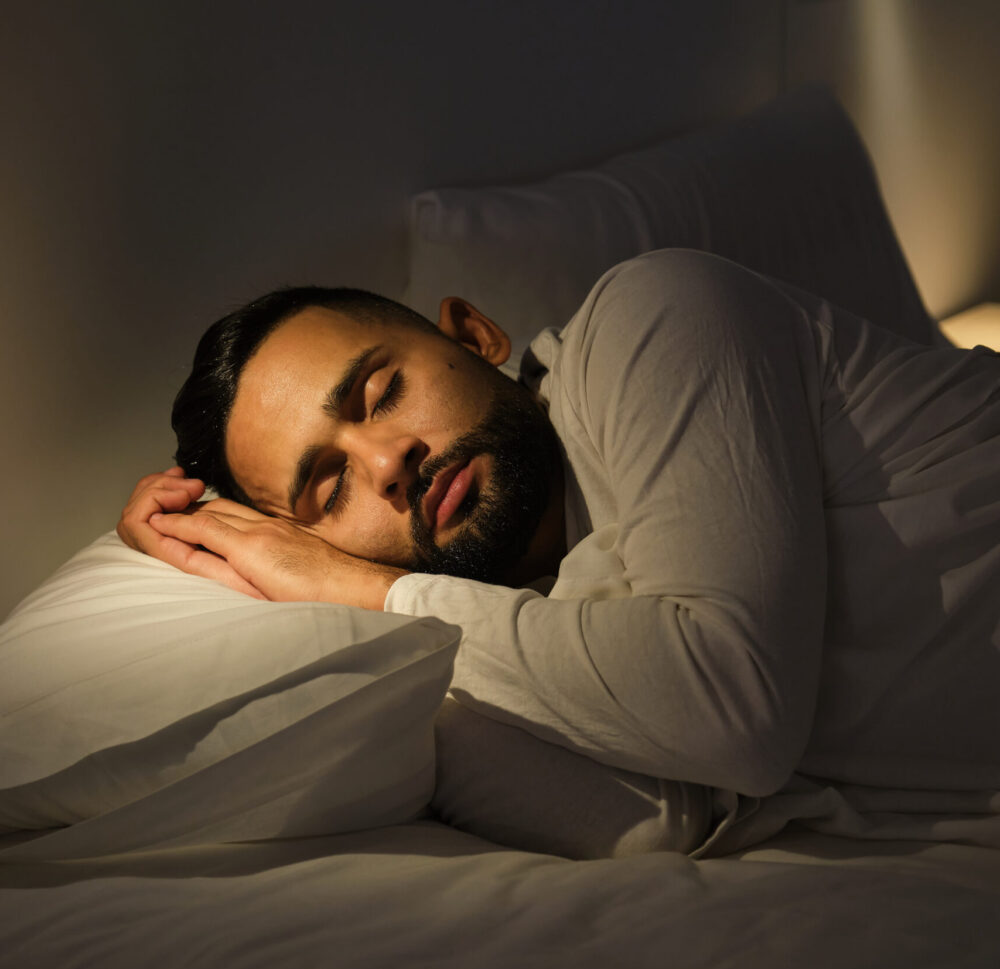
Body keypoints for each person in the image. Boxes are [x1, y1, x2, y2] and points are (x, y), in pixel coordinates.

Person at [119, 249, 1000, 845]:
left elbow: (737, 711)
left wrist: (367, 592)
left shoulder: (653, 319)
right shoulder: (528, 628)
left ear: (475, 336)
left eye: (384, 392)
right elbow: (670, 817)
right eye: (329, 486)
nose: (388, 463)